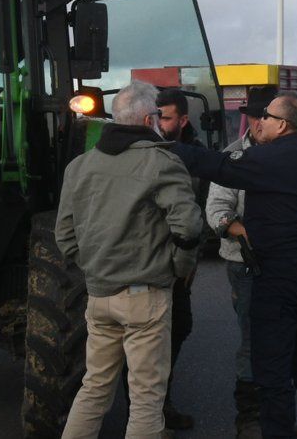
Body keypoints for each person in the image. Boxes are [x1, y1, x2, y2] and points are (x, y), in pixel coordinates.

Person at [168, 91, 297, 439]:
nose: (259, 121)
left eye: (265, 116)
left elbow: (215, 165)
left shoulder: (264, 159)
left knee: (272, 369)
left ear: (282, 124)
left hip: (276, 276)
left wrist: (162, 146)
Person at [55, 81, 202, 439]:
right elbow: (189, 226)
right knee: (146, 399)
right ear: (150, 118)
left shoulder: (80, 166)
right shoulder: (160, 161)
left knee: (94, 389)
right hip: (145, 295)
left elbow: (64, 235)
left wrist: (93, 267)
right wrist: (177, 268)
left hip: (99, 294)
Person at [205, 85, 278, 438]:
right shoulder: (233, 157)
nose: (263, 121)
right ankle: (248, 418)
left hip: (287, 263)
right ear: (251, 119)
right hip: (244, 264)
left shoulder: (293, 156)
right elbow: (216, 210)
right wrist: (241, 231)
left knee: (287, 338)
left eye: (270, 115)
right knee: (252, 339)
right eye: (260, 114)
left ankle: (278, 414)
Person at [152, 87, 208, 431]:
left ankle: (160, 403)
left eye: (166, 117)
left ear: (183, 120)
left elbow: (196, 216)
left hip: (177, 261)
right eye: (156, 116)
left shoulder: (195, 157)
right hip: (146, 260)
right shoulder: (144, 151)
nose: (159, 123)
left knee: (178, 326)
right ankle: (148, 409)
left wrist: (190, 262)